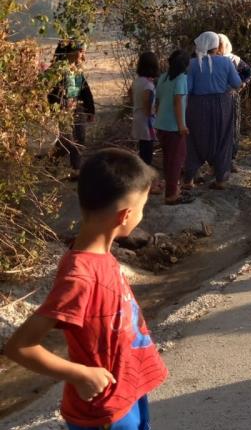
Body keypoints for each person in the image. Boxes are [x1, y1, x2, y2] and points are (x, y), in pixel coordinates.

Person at [3, 149, 168, 430]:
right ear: (125, 216)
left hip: (126, 392)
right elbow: (20, 346)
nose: (142, 215)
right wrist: (79, 375)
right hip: (102, 410)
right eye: (143, 208)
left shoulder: (100, 256)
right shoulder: (79, 275)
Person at [183, 32, 242, 190]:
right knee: (223, 138)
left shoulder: (192, 64)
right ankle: (220, 179)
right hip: (223, 104)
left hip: (197, 106)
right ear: (217, 46)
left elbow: (187, 89)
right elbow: (237, 83)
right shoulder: (226, 62)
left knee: (195, 139)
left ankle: (189, 179)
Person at [48, 41, 95, 171]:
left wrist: (91, 110)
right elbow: (50, 95)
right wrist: (60, 106)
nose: (83, 56)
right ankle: (62, 164)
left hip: (78, 109)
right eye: (81, 51)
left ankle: (74, 168)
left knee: (79, 139)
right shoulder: (55, 71)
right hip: (62, 111)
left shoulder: (77, 70)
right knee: (68, 142)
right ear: (69, 52)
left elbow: (85, 91)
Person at [155, 50, 193, 205]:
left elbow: (158, 99)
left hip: (161, 124)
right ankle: (171, 195)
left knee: (168, 160)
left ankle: (172, 189)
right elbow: (178, 101)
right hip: (173, 126)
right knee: (176, 160)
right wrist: (181, 125)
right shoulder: (181, 79)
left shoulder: (163, 78)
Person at [217, 34, 251, 171]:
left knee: (232, 128)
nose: (219, 46)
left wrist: (242, 85)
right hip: (215, 99)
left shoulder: (234, 59)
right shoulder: (210, 60)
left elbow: (248, 72)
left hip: (231, 97)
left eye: (221, 44)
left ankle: (231, 159)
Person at [131, 52, 159, 169]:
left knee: (143, 150)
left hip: (138, 117)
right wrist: (152, 113)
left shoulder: (137, 81)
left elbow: (130, 95)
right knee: (147, 155)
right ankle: (146, 178)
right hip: (146, 121)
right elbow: (147, 101)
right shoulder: (148, 84)